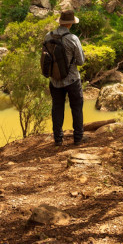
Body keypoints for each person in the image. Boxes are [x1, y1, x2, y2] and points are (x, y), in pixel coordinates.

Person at [45, 10, 86, 146]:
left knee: (57, 107)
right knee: (76, 107)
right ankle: (78, 138)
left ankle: (58, 139)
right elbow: (80, 61)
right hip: (72, 79)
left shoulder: (47, 36)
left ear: (61, 22)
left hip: (54, 80)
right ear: (70, 24)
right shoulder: (73, 39)